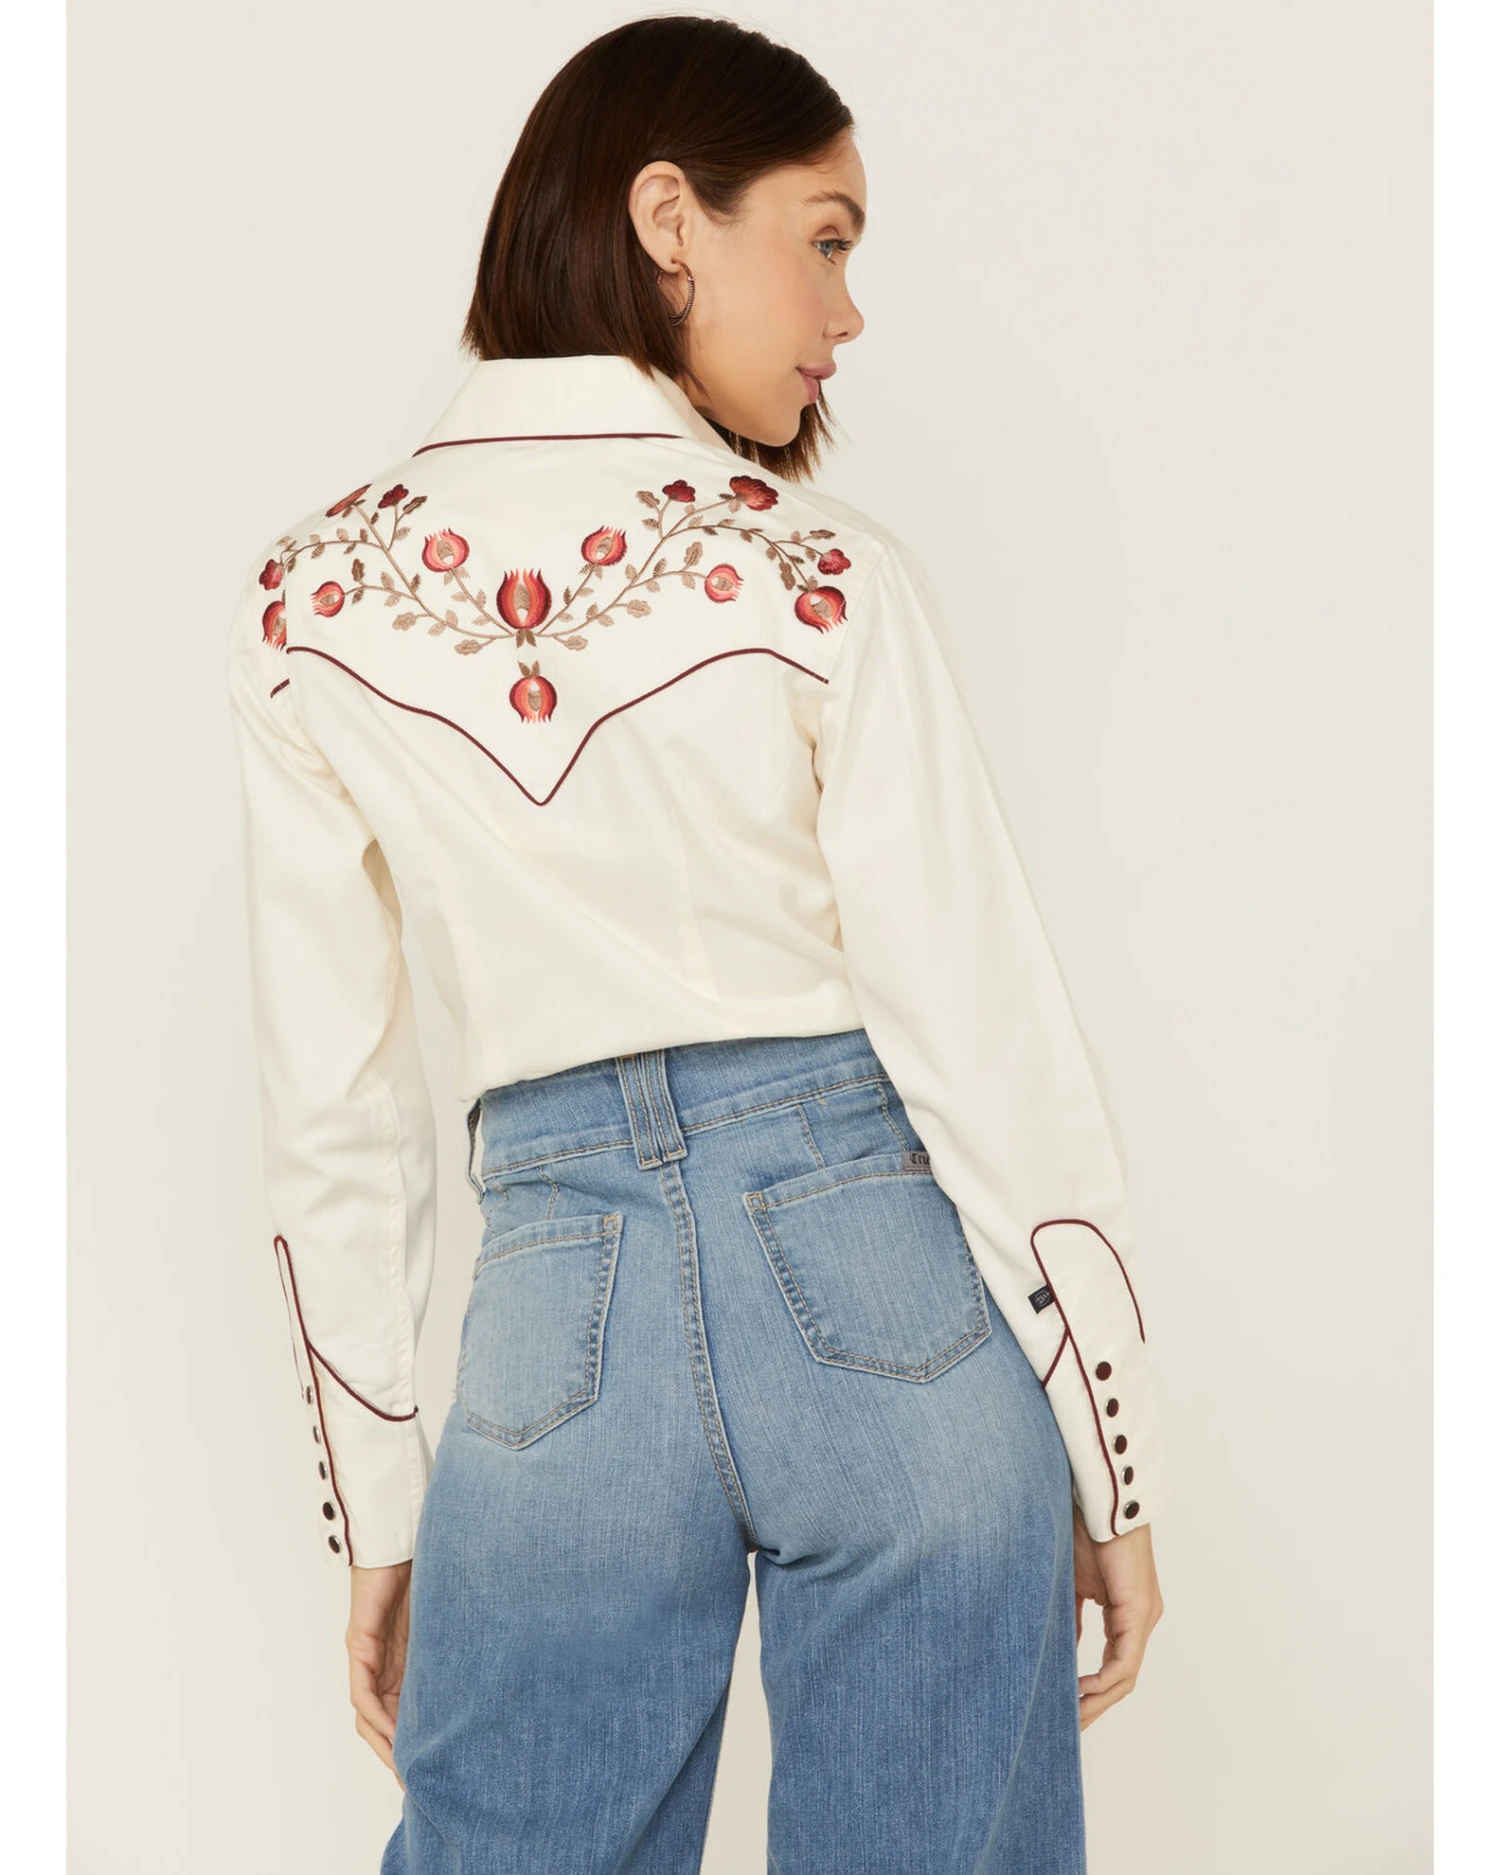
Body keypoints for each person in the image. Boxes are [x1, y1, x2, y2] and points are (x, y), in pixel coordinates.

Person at [225, 15, 1169, 1872]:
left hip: (554, 1321)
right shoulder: (817, 573)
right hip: (886, 1291)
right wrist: (1109, 1447)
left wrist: (381, 1511)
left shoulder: (308, 600)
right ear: (670, 216)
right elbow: (980, 1025)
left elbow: (332, 1103)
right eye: (825, 238)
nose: (849, 312)